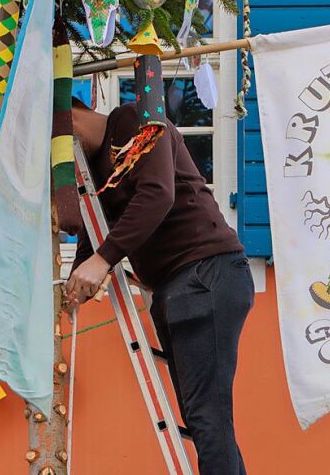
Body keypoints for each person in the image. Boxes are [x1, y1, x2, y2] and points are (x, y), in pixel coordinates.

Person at [66, 99, 254, 475]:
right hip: (174, 286)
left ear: (70, 116)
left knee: (207, 418)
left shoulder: (136, 119)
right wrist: (72, 283)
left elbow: (156, 194)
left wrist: (102, 260)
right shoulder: (93, 168)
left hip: (205, 273)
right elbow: (95, 229)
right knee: (203, 421)